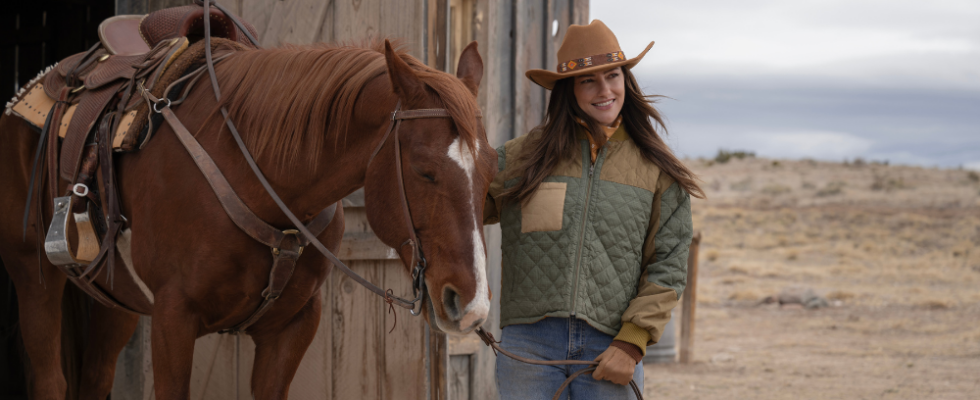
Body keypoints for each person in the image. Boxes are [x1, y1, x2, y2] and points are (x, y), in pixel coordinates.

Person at [483, 20, 705, 399]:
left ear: (626, 81)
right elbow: (456, 210)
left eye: (612, 76)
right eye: (588, 81)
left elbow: (668, 265)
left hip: (612, 346)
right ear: (569, 90)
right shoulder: (522, 157)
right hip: (528, 347)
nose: (605, 90)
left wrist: (632, 344)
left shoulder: (655, 170)